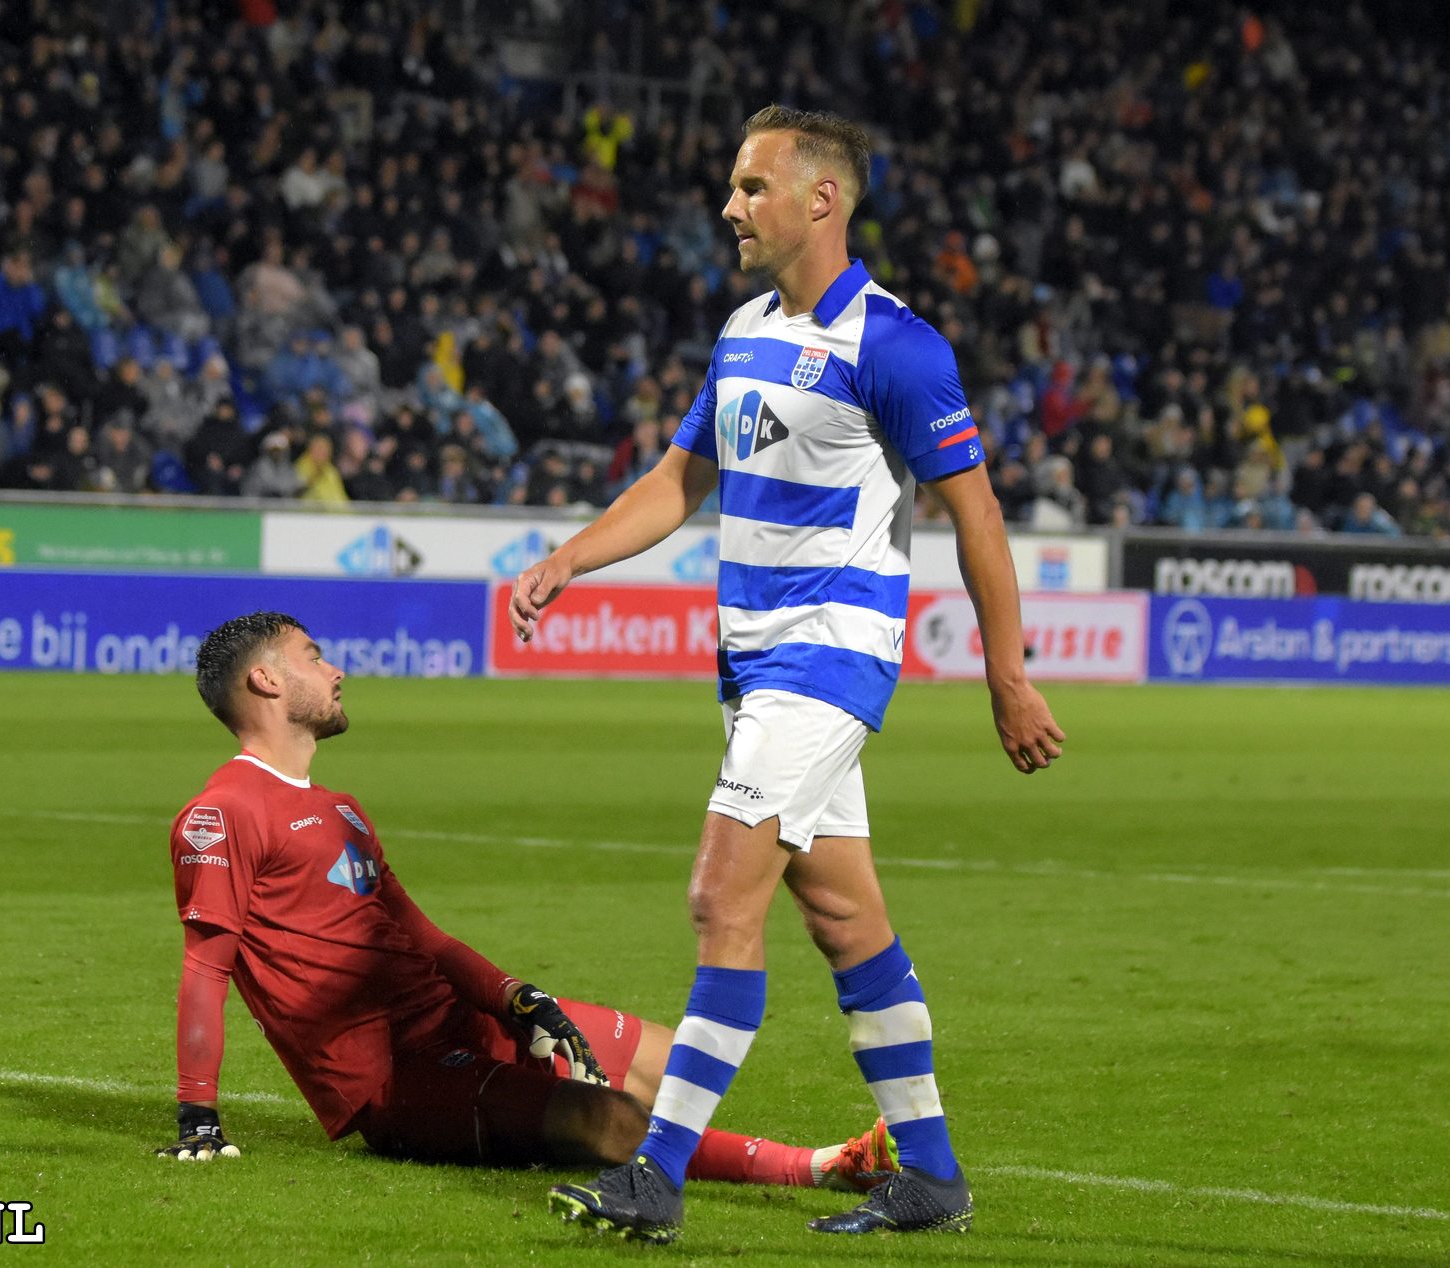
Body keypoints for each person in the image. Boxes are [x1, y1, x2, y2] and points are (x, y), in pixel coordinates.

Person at [512, 106, 1066, 1243]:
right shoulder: (742, 331)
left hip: (830, 657)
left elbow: (977, 515)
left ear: (823, 200)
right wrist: (572, 553)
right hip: (755, 667)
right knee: (845, 915)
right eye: (733, 185)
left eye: (753, 186)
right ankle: (935, 1173)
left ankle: (653, 1176)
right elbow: (679, 479)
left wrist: (1008, 672)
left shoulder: (896, 346)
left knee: (723, 895)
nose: (730, 207)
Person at [160, 613, 898, 1199]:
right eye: (314, 656)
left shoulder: (340, 809)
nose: (336, 669)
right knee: (605, 1122)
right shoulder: (221, 814)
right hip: (394, 1077)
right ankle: (824, 1166)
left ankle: (774, 1159)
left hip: (465, 1020)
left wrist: (515, 997)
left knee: (672, 1056)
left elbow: (422, 935)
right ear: (265, 679)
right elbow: (206, 968)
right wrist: (199, 1113)